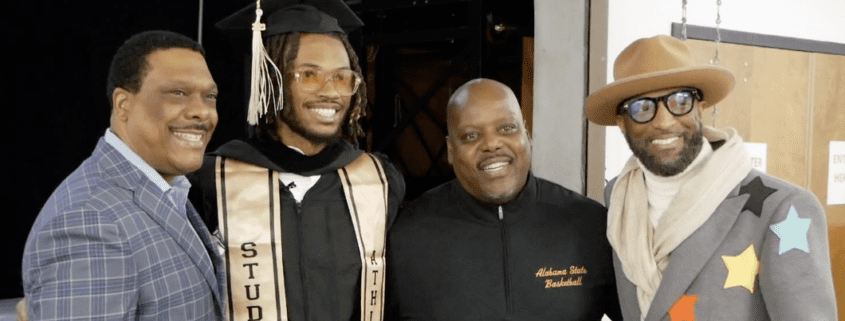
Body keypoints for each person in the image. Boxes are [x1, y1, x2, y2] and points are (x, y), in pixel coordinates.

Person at [584, 35, 837, 320]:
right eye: (642, 107)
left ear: (699, 107)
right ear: (622, 123)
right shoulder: (620, 200)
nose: (664, 121)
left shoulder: (784, 210)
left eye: (680, 100)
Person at [188, 0, 405, 320]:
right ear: (271, 79)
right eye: (309, 75)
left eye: (342, 77)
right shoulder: (212, 181)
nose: (331, 92)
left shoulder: (379, 181)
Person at [21, 30, 223, 320]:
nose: (201, 112)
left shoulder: (168, 189)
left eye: (210, 96)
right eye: (177, 93)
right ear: (123, 104)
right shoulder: (87, 222)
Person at [385, 78, 622, 320]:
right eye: (471, 135)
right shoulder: (403, 238)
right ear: (450, 150)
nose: (492, 144)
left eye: (507, 128)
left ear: (527, 135)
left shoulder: (591, 225)